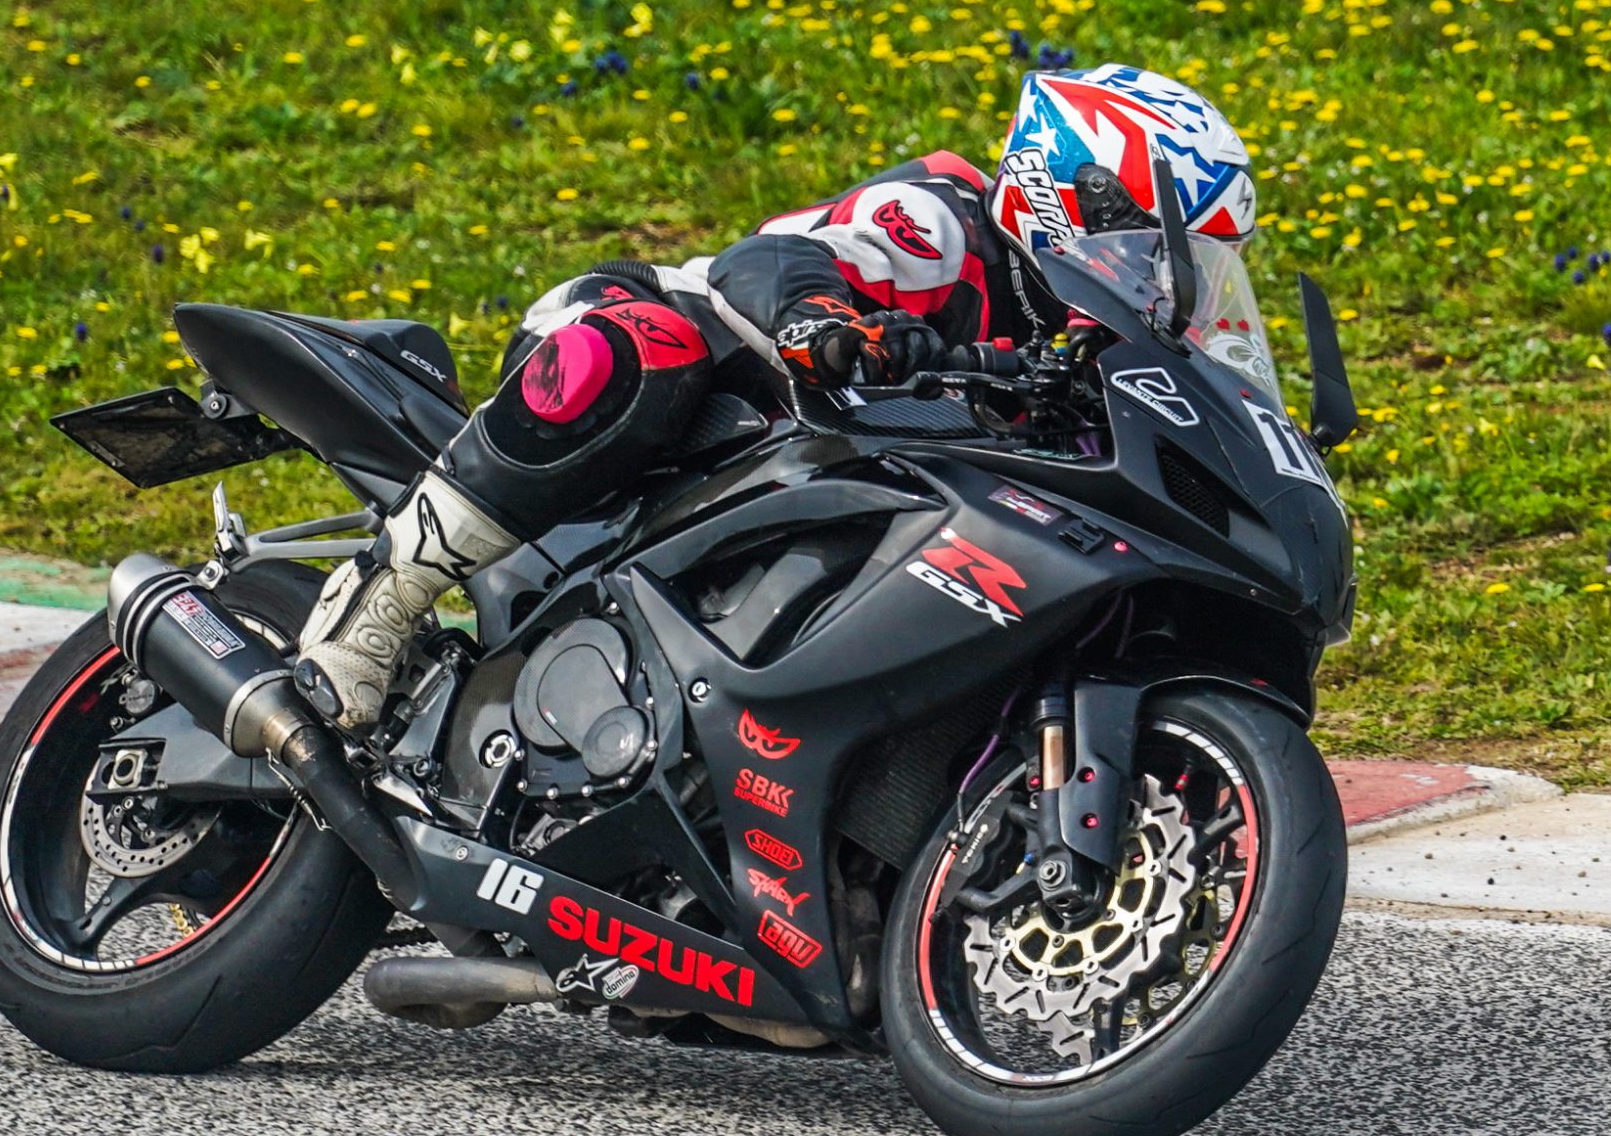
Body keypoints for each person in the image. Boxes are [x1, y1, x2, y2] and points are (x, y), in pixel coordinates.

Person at [290, 63, 1259, 729]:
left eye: (1195, 263)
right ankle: (383, 591)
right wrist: (826, 325)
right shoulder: (942, 222)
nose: (1167, 283)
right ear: (1074, 196)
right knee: (650, 346)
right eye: (1151, 247)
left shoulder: (1082, 343)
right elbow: (768, 261)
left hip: (798, 484)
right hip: (658, 364)